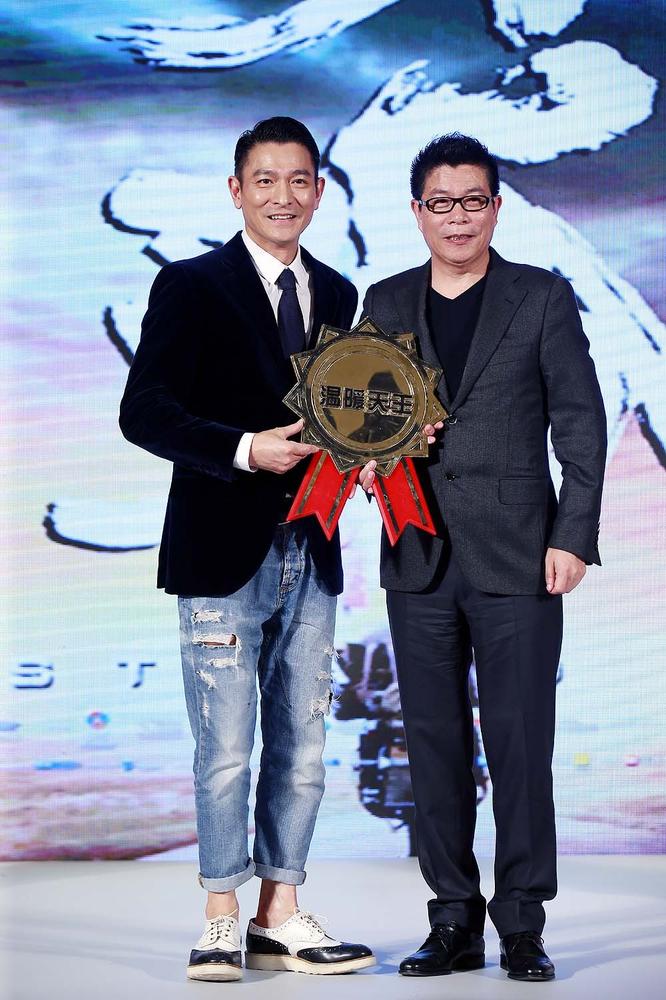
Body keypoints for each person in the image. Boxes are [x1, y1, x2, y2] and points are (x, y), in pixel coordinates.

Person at [119, 116, 374, 982]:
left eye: (299, 180)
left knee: (303, 745)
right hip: (221, 548)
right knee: (226, 748)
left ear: (319, 191)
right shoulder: (191, 285)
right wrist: (242, 448)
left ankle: (280, 911)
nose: (283, 196)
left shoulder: (338, 292)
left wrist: (378, 451)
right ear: (237, 190)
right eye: (265, 180)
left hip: (314, 547)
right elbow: (143, 411)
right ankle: (220, 916)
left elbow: (344, 414)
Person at [359, 132, 606, 981]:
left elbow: (580, 424)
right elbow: (360, 421)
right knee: (432, 743)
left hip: (521, 555)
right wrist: (368, 458)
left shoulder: (541, 297)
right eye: (441, 202)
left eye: (472, 201)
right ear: (417, 211)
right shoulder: (385, 302)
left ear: (496, 208)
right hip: (418, 552)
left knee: (519, 743)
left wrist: (572, 535)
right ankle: (453, 920)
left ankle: (523, 925)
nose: (457, 217)